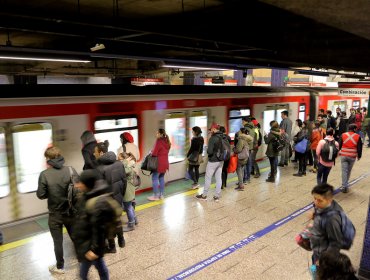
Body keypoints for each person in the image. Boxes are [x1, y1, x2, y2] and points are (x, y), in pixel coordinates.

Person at [36, 146, 79, 274]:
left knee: (57, 241)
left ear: (48, 158)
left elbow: (41, 195)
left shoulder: (44, 174)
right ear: (60, 155)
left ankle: (60, 267)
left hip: (55, 214)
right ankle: (83, 259)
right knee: (75, 236)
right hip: (71, 211)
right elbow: (78, 188)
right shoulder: (71, 170)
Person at [73, 169, 115, 280]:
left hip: (90, 246)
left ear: (87, 184)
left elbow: (99, 229)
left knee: (83, 274)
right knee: (99, 265)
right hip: (86, 243)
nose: (77, 185)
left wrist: (94, 250)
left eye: (80, 182)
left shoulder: (97, 203)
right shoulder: (86, 195)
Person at [94, 141, 126, 253]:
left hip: (107, 200)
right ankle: (121, 241)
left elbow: (99, 189)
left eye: (95, 152)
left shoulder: (99, 168)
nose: (94, 154)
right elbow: (124, 181)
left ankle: (112, 246)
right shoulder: (119, 163)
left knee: (108, 223)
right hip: (118, 197)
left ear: (101, 153)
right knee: (117, 219)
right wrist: (121, 195)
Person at [308, 183, 348, 266]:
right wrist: (315, 216)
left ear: (329, 200)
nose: (316, 202)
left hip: (324, 256)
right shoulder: (324, 205)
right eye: (314, 198)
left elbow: (336, 243)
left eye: (319, 200)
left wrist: (323, 260)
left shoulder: (333, 219)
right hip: (318, 248)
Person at [196, 123, 224, 202]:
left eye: (211, 130)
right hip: (221, 160)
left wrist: (208, 144)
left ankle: (204, 195)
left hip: (213, 161)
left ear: (214, 129)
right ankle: (217, 196)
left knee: (208, 177)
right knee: (218, 178)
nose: (210, 131)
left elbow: (210, 151)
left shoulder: (213, 138)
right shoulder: (223, 136)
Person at [147, 128, 171, 201]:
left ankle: (155, 196)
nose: (156, 134)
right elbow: (162, 151)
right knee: (161, 178)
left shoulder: (159, 141)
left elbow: (154, 153)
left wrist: (150, 152)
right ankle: (162, 195)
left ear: (160, 134)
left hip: (158, 164)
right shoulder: (167, 141)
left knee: (154, 178)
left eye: (157, 133)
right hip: (165, 163)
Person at [339, 124, 362, 193]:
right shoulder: (358, 136)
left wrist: (339, 151)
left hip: (344, 155)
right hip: (352, 156)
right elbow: (359, 148)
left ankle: (344, 186)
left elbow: (339, 144)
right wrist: (359, 156)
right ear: (354, 129)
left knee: (344, 171)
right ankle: (346, 185)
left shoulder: (343, 135)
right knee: (348, 171)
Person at [119, 152, 138, 231]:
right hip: (130, 189)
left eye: (119, 159)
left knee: (128, 207)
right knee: (129, 206)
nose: (118, 161)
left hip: (127, 190)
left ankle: (131, 224)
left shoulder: (128, 167)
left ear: (124, 159)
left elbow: (125, 171)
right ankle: (135, 220)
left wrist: (125, 162)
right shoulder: (129, 165)